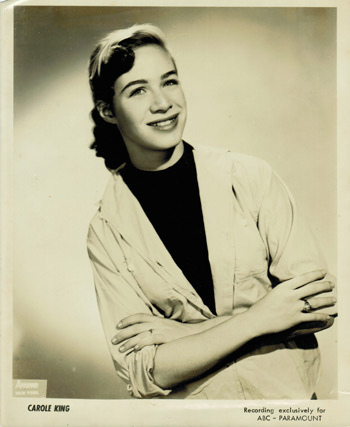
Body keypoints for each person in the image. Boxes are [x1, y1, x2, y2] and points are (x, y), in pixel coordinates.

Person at [87, 24, 337, 399]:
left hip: (288, 411)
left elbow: (318, 306)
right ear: (108, 110)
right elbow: (143, 370)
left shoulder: (249, 176)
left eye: (169, 82)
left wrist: (185, 334)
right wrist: (262, 316)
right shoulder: (106, 231)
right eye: (138, 91)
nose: (162, 103)